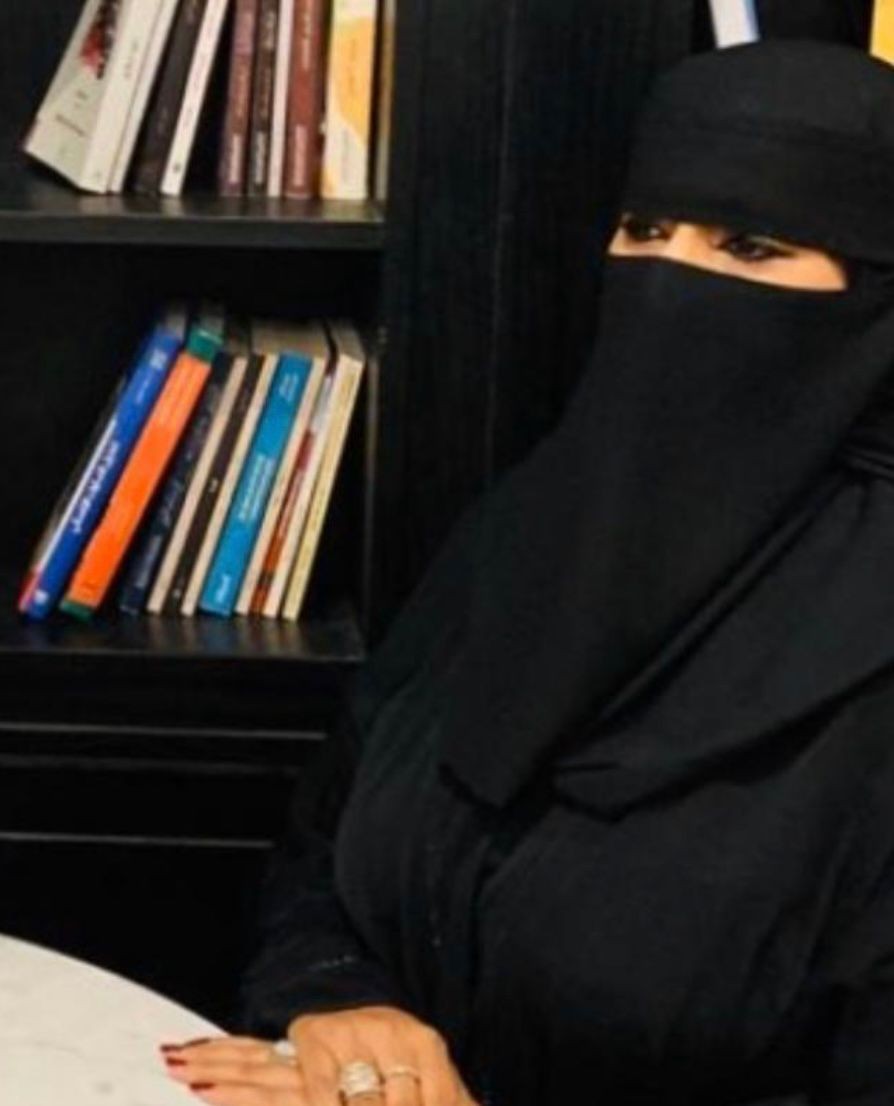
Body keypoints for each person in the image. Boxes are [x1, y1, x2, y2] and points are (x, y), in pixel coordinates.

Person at [163, 40, 894, 1106]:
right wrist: (338, 1000)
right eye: (645, 230)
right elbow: (328, 839)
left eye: (749, 245)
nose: (670, 281)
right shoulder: (532, 530)